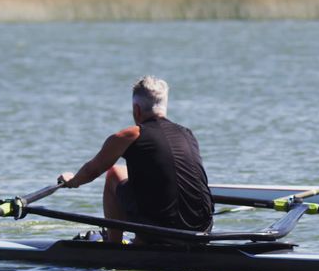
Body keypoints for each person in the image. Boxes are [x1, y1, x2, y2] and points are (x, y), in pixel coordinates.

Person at [58, 76, 213, 243]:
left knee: (114, 173)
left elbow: (92, 171)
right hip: (203, 229)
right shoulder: (187, 134)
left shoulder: (131, 134)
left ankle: (114, 247)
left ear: (136, 109)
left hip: (162, 231)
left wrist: (73, 181)